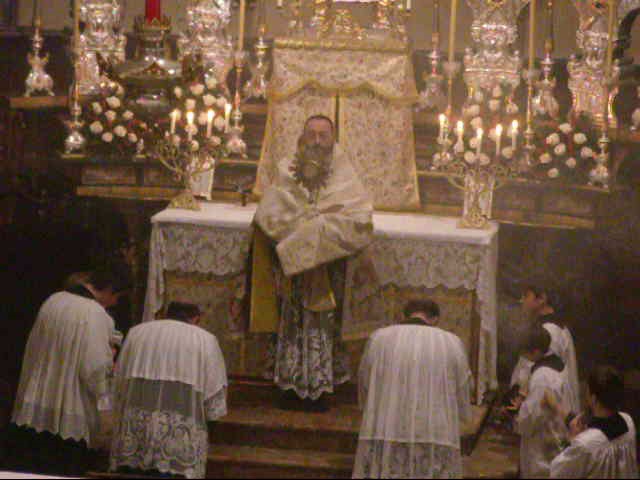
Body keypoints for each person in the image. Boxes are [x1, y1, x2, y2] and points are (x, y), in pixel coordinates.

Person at [253, 115, 373, 410]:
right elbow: (268, 213)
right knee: (292, 326)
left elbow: (359, 218)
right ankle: (290, 383)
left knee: (324, 327)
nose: (317, 141)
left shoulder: (345, 173)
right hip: (292, 272)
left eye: (323, 135)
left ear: (333, 139)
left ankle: (322, 386)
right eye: (312, 134)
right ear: (302, 138)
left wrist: (319, 232)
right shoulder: (286, 169)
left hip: (329, 270)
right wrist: (298, 232)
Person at [5, 265, 129, 476]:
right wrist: (109, 377)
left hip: (36, 408)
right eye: (118, 297)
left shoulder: (53, 301)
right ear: (109, 289)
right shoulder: (94, 313)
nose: (115, 303)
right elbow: (94, 368)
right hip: (69, 415)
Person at [353, 300, 472, 478]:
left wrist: (369, 408)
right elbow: (462, 385)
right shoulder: (451, 342)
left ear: (404, 315)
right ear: (435, 319)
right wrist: (462, 413)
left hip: (389, 424)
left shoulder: (379, 338)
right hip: (433, 428)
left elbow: (365, 379)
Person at [109, 301, 228, 479]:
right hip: (179, 435)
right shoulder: (205, 339)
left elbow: (119, 379)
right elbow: (214, 392)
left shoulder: (137, 333)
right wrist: (212, 421)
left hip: (137, 429)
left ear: (166, 313)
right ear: (196, 318)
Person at [548, 365, 638, 479]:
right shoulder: (628, 422)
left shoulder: (584, 444)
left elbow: (558, 473)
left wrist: (572, 439)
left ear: (594, 399)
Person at [510, 286, 580, 415]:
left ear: (541, 298)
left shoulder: (549, 331)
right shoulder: (548, 327)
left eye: (526, 295)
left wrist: (521, 397)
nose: (521, 300)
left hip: (545, 412)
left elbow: (540, 377)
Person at [515, 325, 572, 478]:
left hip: (542, 447)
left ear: (536, 351)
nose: (524, 356)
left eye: (525, 352)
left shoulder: (542, 376)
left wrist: (518, 413)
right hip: (556, 434)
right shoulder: (557, 364)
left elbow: (531, 417)